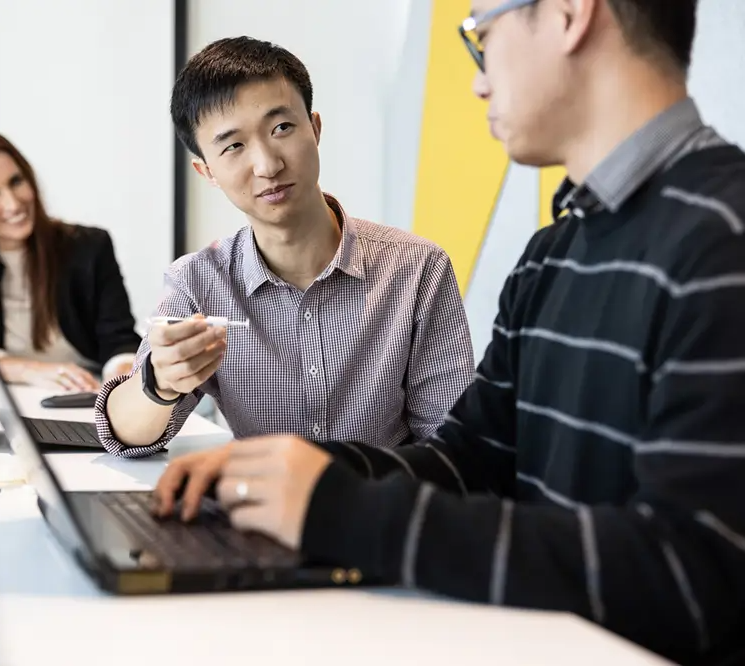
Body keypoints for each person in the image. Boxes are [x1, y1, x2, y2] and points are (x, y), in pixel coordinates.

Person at [153, 2, 745, 663]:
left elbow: (693, 577)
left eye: (481, 36)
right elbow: (473, 461)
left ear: (572, 15)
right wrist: (283, 475)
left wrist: (341, 511)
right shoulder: (555, 250)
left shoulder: (726, 237)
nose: (479, 81)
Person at [94, 36, 476, 458]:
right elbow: (126, 435)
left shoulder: (417, 268)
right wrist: (158, 382)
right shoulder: (198, 282)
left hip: (383, 507)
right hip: (259, 515)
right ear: (207, 171)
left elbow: (452, 445)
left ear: (314, 128)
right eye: (233, 146)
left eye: (281, 128)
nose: (267, 165)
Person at [0, 129, 141, 391]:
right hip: (9, 398)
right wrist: (24, 370)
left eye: (16, 181)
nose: (13, 204)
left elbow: (120, 341)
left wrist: (119, 379)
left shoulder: (90, 247)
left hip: (83, 392)